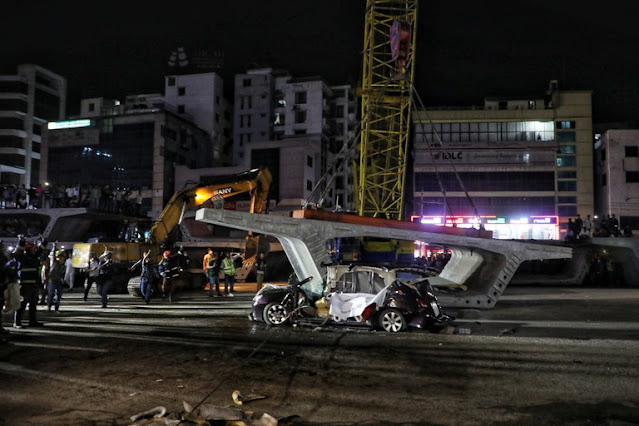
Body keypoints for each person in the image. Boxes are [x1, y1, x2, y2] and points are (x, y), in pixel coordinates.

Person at [13, 241, 45, 327]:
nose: (35, 250)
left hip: (33, 285)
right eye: (33, 249)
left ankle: (33, 321)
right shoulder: (22, 257)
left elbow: (39, 251)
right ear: (28, 250)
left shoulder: (33, 257)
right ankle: (17, 323)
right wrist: (21, 242)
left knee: (33, 304)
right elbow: (16, 254)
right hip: (24, 285)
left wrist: (44, 242)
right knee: (22, 304)